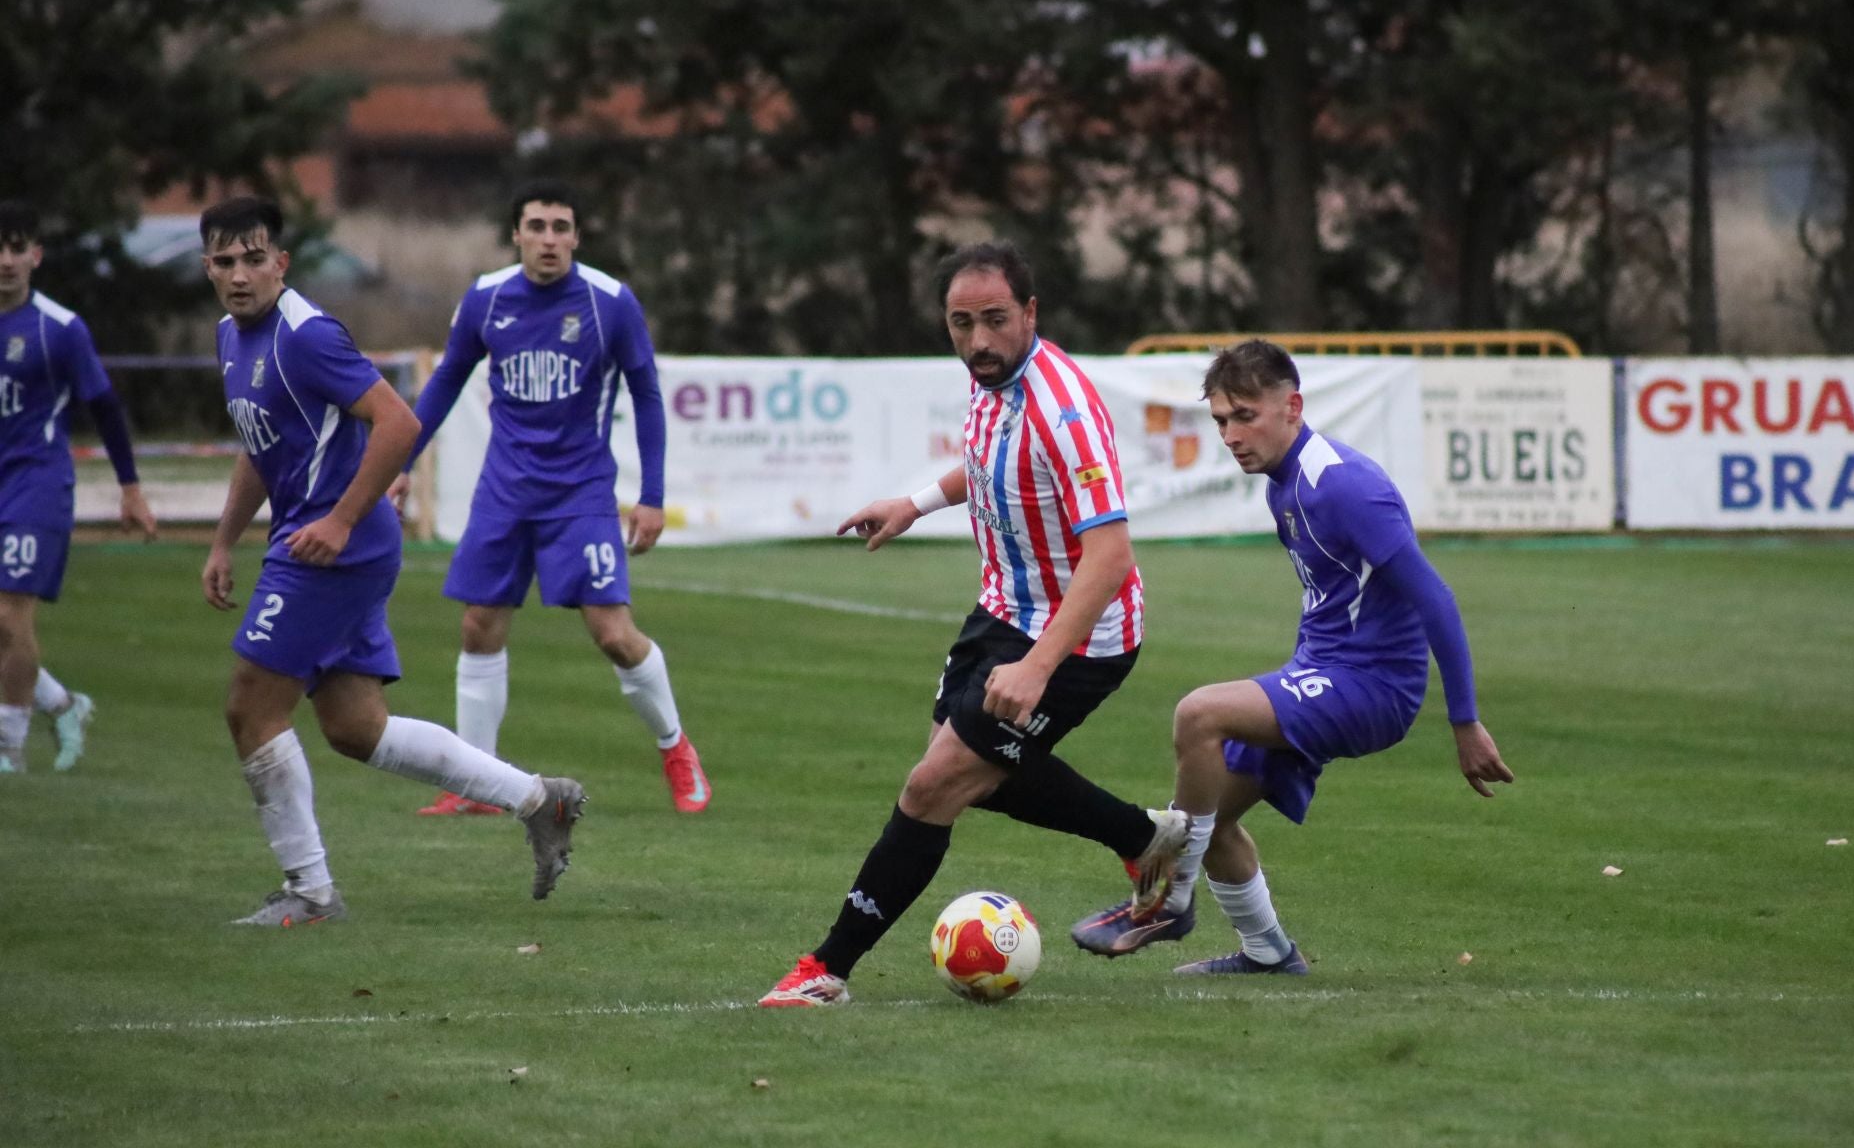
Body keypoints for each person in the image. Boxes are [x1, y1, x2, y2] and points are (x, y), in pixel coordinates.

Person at [758, 240, 1190, 1008]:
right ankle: (1141, 836)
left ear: (1030, 313)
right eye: (962, 323)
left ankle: (826, 968)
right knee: (965, 779)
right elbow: (989, 463)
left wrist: (1039, 667)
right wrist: (913, 502)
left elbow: (1112, 555)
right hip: (1001, 611)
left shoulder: (1064, 408)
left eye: (995, 320)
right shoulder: (990, 380)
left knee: (935, 785)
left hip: (1082, 635)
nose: (978, 340)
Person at [198, 196, 584, 926]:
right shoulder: (230, 336)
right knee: (354, 726)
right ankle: (541, 799)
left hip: (331, 545)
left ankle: (310, 895)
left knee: (251, 707)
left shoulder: (306, 337)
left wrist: (341, 521)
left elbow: (399, 422)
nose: (240, 275)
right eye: (225, 261)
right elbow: (264, 445)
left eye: (255, 259)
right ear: (207, 267)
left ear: (281, 262)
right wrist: (223, 540)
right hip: (320, 538)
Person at [1070, 339, 1514, 972]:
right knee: (1209, 814)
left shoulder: (1343, 486)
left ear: (1293, 406)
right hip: (1322, 674)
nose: (1230, 434)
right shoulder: (1283, 485)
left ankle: (1169, 898)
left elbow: (1435, 598)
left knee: (1198, 716)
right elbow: (1335, 603)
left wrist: (1465, 721)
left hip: (1372, 689)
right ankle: (1270, 954)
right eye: (1222, 419)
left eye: (1245, 415)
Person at [389, 181, 708, 817]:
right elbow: (447, 380)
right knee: (479, 625)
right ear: (517, 235)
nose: (550, 240)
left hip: (581, 493)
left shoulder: (608, 301)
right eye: (537, 227)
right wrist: (401, 462)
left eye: (562, 227)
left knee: (613, 633)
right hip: (504, 491)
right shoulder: (486, 298)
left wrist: (651, 496)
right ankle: (476, 783)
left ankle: (677, 749)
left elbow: (646, 394)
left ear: (577, 237)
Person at [0, 200, 158, 774]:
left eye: (17, 248)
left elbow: (106, 407)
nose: (6, 260)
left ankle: (8, 749)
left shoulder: (59, 329)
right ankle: (64, 706)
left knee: (9, 618)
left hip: (37, 482)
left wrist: (131, 487)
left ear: (36, 255)